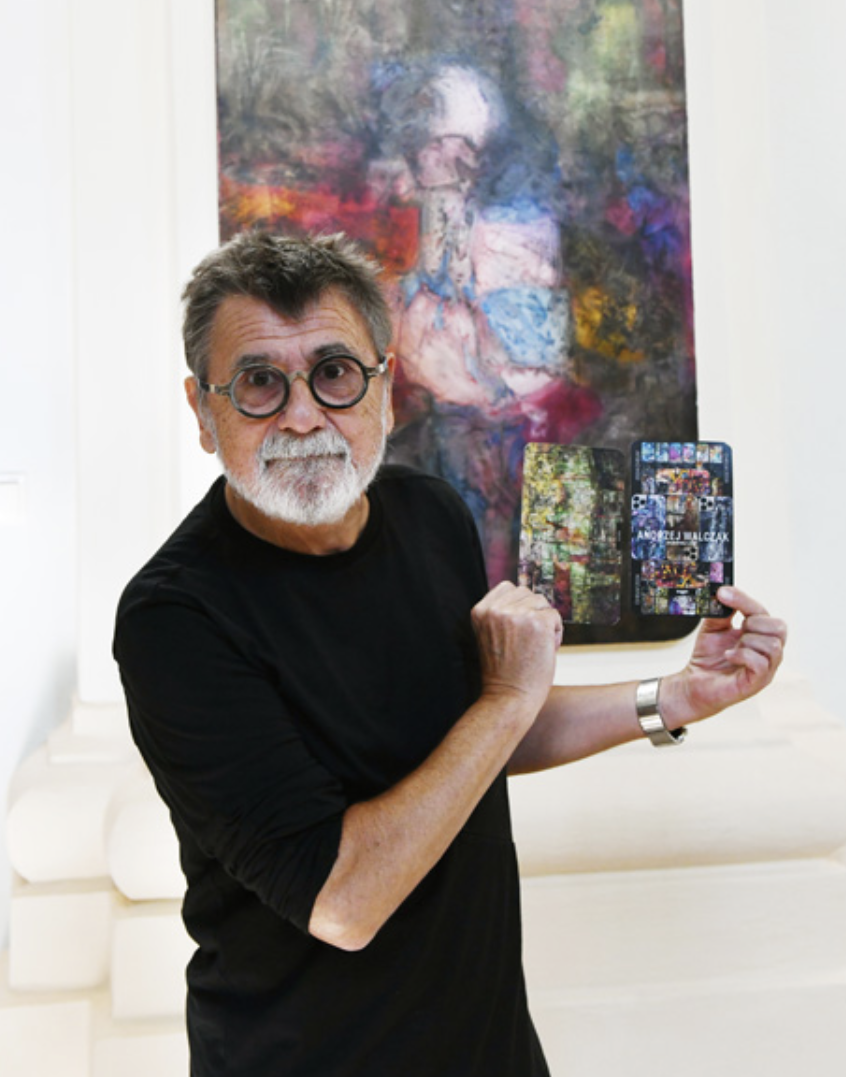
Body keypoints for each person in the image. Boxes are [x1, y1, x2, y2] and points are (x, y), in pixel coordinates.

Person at [113, 229, 786, 1077]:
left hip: (488, 1049)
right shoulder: (174, 619)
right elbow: (343, 901)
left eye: (334, 372)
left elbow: (472, 736)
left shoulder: (429, 514)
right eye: (257, 382)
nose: (302, 415)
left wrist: (676, 696)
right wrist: (505, 699)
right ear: (203, 412)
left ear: (385, 389)